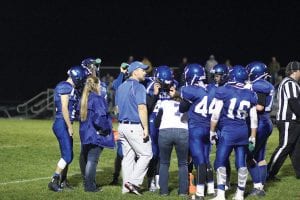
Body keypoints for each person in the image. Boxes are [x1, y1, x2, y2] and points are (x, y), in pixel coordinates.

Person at [210, 65, 258, 200]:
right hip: (243, 131)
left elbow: (215, 115)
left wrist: (212, 131)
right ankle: (240, 194)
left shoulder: (224, 90)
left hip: (227, 132)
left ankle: (220, 194)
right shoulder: (250, 93)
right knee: (241, 163)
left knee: (220, 161)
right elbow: (253, 118)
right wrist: (253, 135)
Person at [115, 61, 153, 195]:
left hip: (122, 126)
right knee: (147, 154)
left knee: (128, 157)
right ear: (135, 71)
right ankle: (134, 182)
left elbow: (117, 109)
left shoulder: (121, 87)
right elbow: (142, 108)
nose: (145, 72)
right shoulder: (139, 87)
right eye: (142, 70)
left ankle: (126, 188)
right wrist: (146, 128)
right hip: (134, 126)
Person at [48, 65, 87, 192]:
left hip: (64, 123)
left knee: (68, 154)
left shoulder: (71, 88)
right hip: (62, 124)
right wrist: (70, 126)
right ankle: (54, 180)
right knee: (68, 156)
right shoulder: (65, 86)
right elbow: (64, 108)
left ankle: (63, 181)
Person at [180, 63, 214, 199]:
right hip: (209, 128)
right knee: (206, 159)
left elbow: (182, 108)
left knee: (199, 160)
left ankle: (199, 193)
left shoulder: (189, 90)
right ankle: (211, 189)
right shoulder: (211, 89)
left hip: (196, 129)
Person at [78, 76, 115, 192]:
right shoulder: (97, 99)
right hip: (95, 133)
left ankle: (87, 183)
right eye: (99, 84)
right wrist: (105, 129)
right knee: (92, 160)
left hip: (85, 133)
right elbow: (99, 118)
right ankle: (89, 186)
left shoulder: (84, 98)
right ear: (96, 85)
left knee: (85, 157)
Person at [245, 62, 275, 196]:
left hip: (260, 123)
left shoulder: (259, 85)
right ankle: (261, 185)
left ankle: (258, 187)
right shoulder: (267, 84)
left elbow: (260, 107)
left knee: (249, 156)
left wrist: (246, 102)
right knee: (260, 157)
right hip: (266, 122)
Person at [155, 82, 189, 197]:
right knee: (183, 163)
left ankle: (164, 191)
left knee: (164, 163)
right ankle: (183, 191)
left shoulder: (164, 103)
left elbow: (156, 123)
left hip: (165, 132)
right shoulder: (186, 103)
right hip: (182, 131)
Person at [268, 61, 300, 180]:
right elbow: (294, 103)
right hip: (288, 120)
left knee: (296, 148)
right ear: (295, 71)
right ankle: (269, 172)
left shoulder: (290, 83)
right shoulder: (290, 83)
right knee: (285, 146)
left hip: (292, 121)